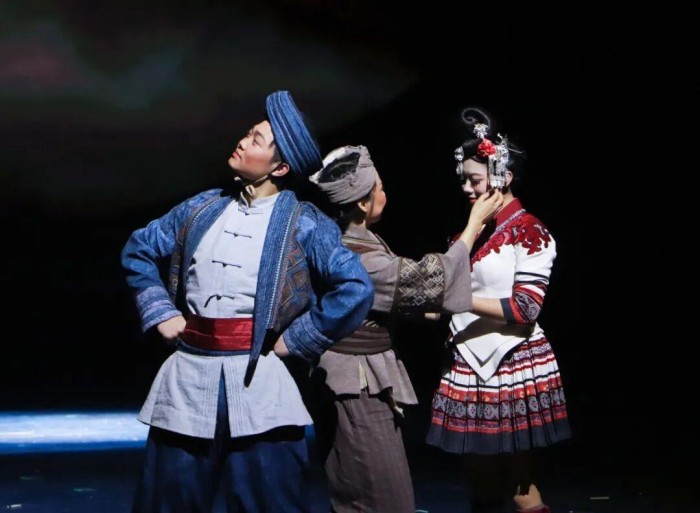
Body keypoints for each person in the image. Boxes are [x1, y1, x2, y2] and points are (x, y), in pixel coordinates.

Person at [120, 90, 374, 513]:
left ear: (280, 167)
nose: (242, 141)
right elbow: (139, 249)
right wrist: (161, 311)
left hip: (261, 386)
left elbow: (355, 286)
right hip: (187, 382)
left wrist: (298, 339)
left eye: (256, 139)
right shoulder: (201, 208)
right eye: (248, 133)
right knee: (168, 500)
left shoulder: (304, 223)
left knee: (268, 501)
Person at [306, 145, 504, 513]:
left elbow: (392, 297)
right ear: (362, 202)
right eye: (380, 187)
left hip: (358, 377)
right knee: (381, 496)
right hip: (355, 381)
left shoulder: (347, 239)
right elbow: (425, 280)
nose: (385, 193)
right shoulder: (356, 255)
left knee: (363, 488)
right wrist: (473, 224)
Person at [426, 107, 572, 513]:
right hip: (467, 362)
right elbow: (440, 292)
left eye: (474, 180)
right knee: (481, 483)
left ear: (502, 177)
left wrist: (457, 299)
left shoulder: (531, 231)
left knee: (519, 486)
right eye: (463, 180)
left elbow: (525, 308)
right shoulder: (468, 233)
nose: (466, 188)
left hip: (511, 362)